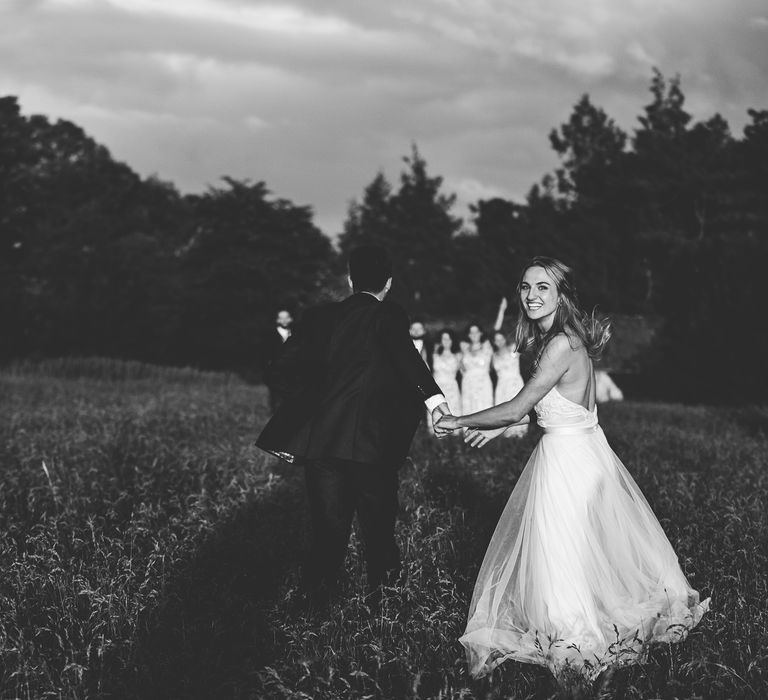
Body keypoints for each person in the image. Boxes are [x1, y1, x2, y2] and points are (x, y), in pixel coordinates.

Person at [436, 257, 709, 687]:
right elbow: (557, 410)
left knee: (559, 546)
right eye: (525, 287)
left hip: (568, 463)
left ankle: (575, 638)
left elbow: (520, 405)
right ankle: (569, 628)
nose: (531, 296)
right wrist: (502, 429)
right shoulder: (565, 340)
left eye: (543, 287)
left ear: (561, 294)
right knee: (566, 547)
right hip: (578, 452)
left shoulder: (561, 344)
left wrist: (461, 420)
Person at [256, 245, 449, 609]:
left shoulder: (318, 317)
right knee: (378, 534)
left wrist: (313, 401)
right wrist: (436, 403)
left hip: (323, 445)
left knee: (327, 534)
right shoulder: (388, 314)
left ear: (349, 280)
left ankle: (314, 614)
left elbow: (278, 369)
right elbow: (407, 359)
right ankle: (385, 610)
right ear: (388, 284)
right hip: (373, 447)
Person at [491, 297, 526, 438]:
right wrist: (501, 310)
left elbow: (522, 331)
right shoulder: (493, 355)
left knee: (517, 409)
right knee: (503, 411)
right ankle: (503, 436)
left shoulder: (514, 349)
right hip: (501, 386)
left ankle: (519, 435)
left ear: (505, 338)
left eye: (501, 338)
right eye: (496, 339)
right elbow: (495, 330)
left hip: (515, 383)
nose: (499, 341)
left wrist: (523, 309)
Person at [262, 308, 293, 413]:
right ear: (277, 320)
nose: (284, 320)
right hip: (275, 371)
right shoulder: (271, 335)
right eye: (281, 318)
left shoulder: (294, 334)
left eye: (286, 318)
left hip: (290, 371)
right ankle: (274, 414)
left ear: (290, 319)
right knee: (275, 395)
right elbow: (265, 353)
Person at [460, 323, 494, 414]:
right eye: (471, 332)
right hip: (468, 383)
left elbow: (496, 330)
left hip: (483, 382)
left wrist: (501, 310)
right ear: (468, 335)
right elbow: (461, 367)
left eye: (476, 332)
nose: (474, 334)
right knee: (469, 408)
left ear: (481, 333)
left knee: (484, 407)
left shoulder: (487, 345)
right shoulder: (464, 348)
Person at [432, 329, 462, 417]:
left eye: (449, 339)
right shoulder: (434, 355)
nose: (446, 341)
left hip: (452, 388)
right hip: (437, 387)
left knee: (452, 411)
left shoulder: (458, 355)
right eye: (444, 339)